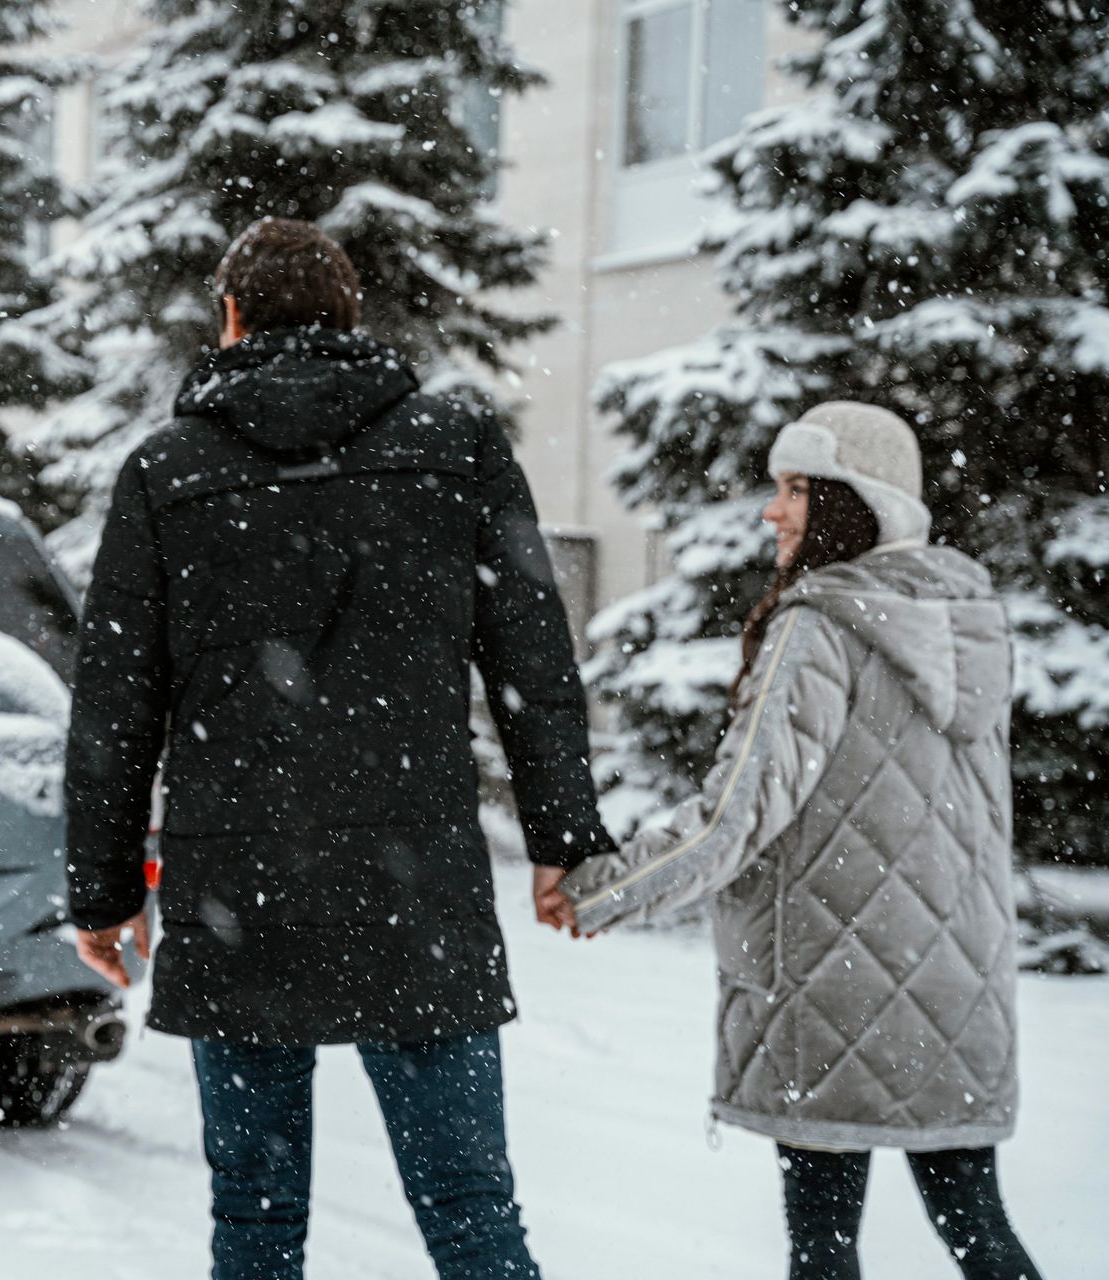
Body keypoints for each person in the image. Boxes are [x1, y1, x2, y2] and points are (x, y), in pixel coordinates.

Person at [64, 216, 616, 1280]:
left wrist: (102, 887)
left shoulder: (167, 471)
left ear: (229, 318)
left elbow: (114, 704)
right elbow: (534, 662)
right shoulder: (455, 445)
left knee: (257, 1225)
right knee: (471, 1211)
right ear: (350, 315)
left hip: (241, 886)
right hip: (415, 888)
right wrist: (565, 832)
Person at [544, 402, 1042, 1280]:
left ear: (860, 503)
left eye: (796, 488)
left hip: (834, 991)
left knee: (823, 1249)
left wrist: (600, 888)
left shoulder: (820, 625)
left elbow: (735, 815)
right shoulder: (968, 620)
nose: (772, 511)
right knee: (980, 1234)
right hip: (960, 991)